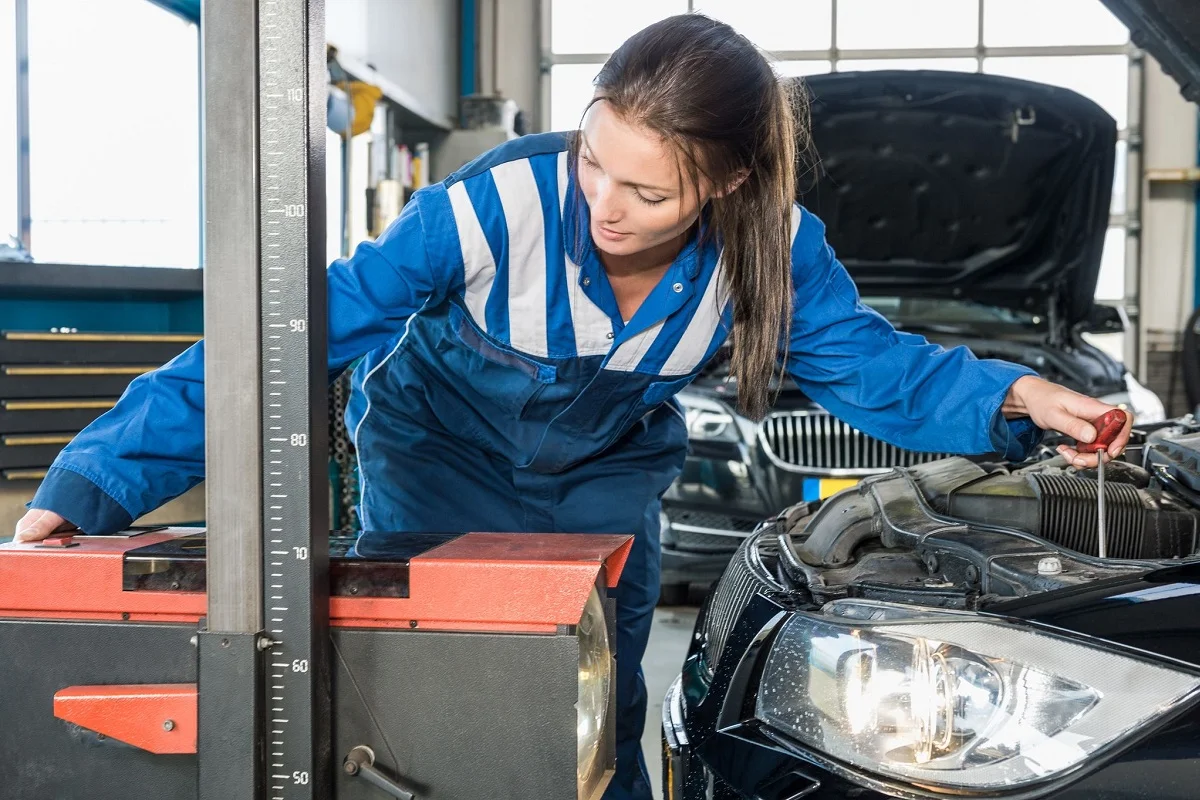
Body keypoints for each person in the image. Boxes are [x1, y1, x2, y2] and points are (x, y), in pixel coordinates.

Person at [12, 13, 1130, 800]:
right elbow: (288, 338)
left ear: (729, 183)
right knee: (417, 690)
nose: (602, 202)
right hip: (435, 452)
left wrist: (1018, 396)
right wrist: (97, 479)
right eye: (595, 158)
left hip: (606, 478)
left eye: (647, 191)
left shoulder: (772, 251)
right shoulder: (491, 205)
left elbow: (874, 370)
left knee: (593, 702)